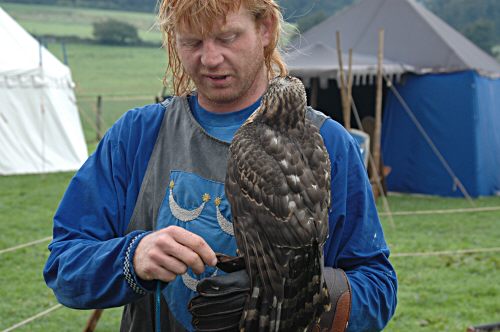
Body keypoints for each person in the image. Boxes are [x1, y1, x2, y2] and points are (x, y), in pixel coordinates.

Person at [43, 0, 397, 331]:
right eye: (191, 42)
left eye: (227, 37)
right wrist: (132, 257)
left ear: (266, 29)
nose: (210, 58)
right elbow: (64, 267)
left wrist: (296, 298)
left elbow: (378, 289)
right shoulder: (137, 136)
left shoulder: (327, 142)